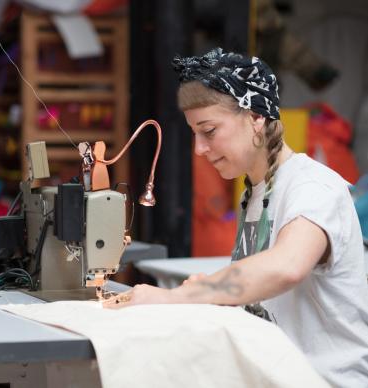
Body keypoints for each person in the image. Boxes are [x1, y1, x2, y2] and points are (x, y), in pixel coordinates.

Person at [104, 48, 368, 387]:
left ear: (256, 118)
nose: (199, 149)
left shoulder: (312, 187)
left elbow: (287, 265)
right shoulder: (255, 193)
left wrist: (176, 297)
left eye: (209, 130)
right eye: (195, 134)